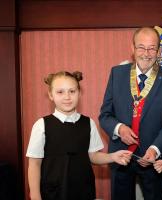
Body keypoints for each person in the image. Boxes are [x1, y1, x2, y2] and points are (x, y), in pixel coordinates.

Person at [99, 27, 162, 200]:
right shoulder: (117, 73)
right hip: (120, 156)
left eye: (152, 48)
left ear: (158, 51)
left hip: (152, 160)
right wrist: (119, 129)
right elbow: (105, 115)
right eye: (141, 47)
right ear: (132, 48)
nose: (146, 53)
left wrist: (155, 149)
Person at [26, 71, 132, 200]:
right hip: (53, 191)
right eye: (60, 92)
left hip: (83, 190)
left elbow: (93, 156)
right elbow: (34, 164)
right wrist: (35, 196)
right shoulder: (41, 125)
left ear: (79, 93)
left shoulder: (89, 123)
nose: (67, 97)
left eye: (72, 91)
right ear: (50, 95)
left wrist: (112, 157)